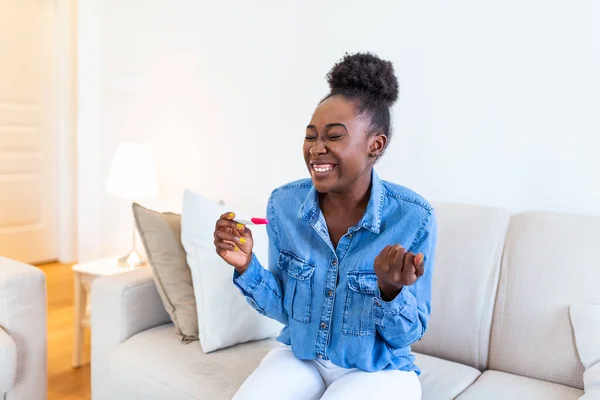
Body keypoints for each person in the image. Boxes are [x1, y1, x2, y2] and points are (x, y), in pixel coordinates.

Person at [213, 52, 437, 400]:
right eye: (310, 136)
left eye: (333, 137)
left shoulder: (413, 218)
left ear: (375, 145)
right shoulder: (283, 205)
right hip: (302, 357)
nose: (316, 149)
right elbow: (284, 308)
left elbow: (407, 334)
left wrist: (389, 290)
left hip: (377, 370)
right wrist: (246, 266)